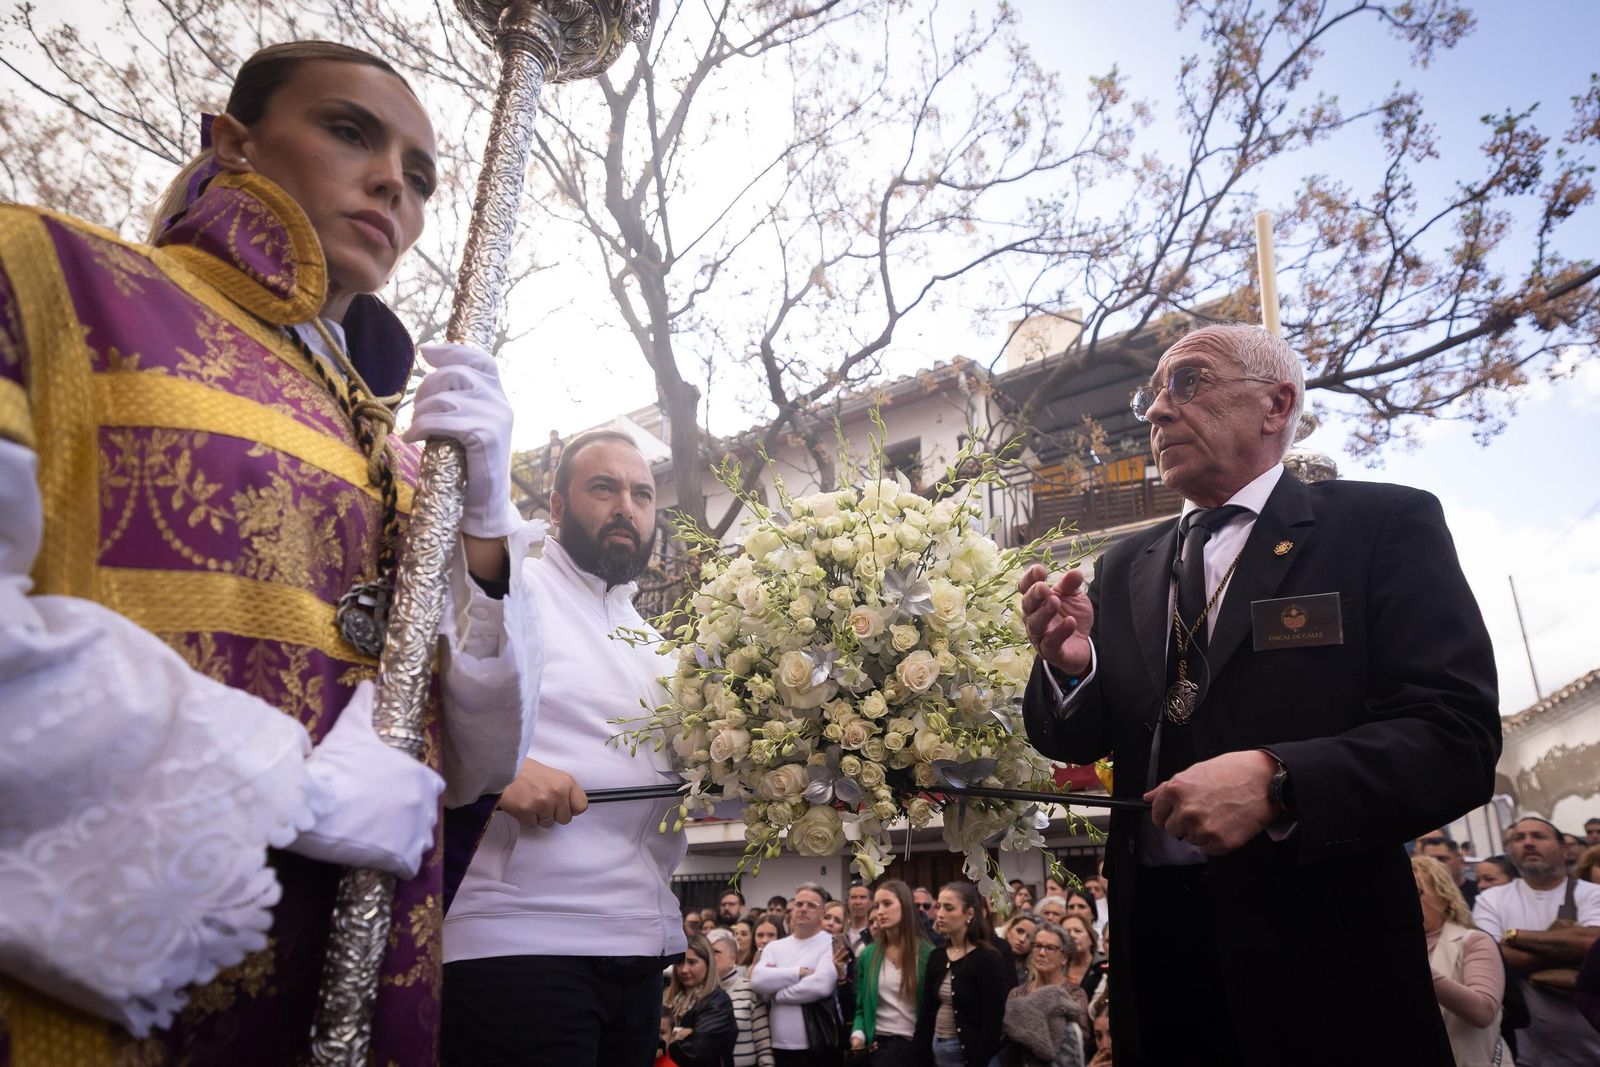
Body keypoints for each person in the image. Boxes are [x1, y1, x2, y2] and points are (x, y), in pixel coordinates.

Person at [0, 40, 541, 1065]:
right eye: (349, 131)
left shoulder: (397, 450)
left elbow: (480, 758)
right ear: (233, 142)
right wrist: (282, 786)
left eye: (423, 177)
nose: (394, 182)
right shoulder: (51, 274)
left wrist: (483, 515)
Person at [1019, 322, 1501, 1065]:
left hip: (1324, 964)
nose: (1154, 412)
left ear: (1277, 405)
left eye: (1189, 383)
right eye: (1151, 393)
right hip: (1160, 960)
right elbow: (1078, 741)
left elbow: (1457, 735)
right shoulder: (1122, 567)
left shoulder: (1379, 526)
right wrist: (1071, 666)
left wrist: (1281, 782)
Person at [443, 430, 684, 1066]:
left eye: (641, 494)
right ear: (555, 506)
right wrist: (500, 772)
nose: (625, 507)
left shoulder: (657, 647)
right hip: (518, 943)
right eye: (602, 488)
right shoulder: (508, 583)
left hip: (638, 944)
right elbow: (413, 689)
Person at [1473, 816, 1600, 1066]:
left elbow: (1592, 944)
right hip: (1528, 1055)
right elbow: (1491, 960)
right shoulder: (1491, 900)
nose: (1528, 843)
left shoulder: (1592, 894)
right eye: (1519, 838)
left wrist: (1515, 936)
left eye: (1538, 836)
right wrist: (1568, 951)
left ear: (1565, 850)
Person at [1413, 855, 1510, 1066]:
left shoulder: (1473, 941)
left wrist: (1416, 966)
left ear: (1444, 896)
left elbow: (1483, 1012)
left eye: (1417, 893)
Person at [914, 882, 1014, 1067]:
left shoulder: (987, 959)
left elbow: (992, 1023)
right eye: (939, 907)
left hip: (972, 1053)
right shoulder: (937, 956)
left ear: (969, 914)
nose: (940, 914)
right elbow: (927, 1011)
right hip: (939, 1050)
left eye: (949, 908)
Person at [748, 883, 839, 1067]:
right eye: (799, 904)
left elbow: (821, 985)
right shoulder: (775, 947)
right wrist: (798, 972)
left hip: (816, 1046)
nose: (803, 909)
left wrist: (778, 994)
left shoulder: (829, 943)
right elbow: (757, 980)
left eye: (811, 905)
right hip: (776, 1046)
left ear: (822, 913)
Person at [848, 880, 932, 1067]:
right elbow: (862, 1007)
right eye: (877, 906)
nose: (880, 912)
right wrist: (858, 1035)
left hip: (916, 1047)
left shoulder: (928, 954)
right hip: (879, 1046)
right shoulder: (868, 955)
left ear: (906, 906)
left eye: (887, 904)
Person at [1001, 921, 1087, 1067]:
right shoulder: (1017, 993)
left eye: (1050, 948)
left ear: (1065, 957)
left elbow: (1081, 1038)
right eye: (1038, 946)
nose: (1041, 953)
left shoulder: (1074, 994)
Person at [664, 936, 737, 1067]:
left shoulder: (718, 1002)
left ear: (709, 963)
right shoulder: (667, 999)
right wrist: (682, 1035)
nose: (684, 969)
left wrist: (668, 1039)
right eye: (680, 963)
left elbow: (697, 1051)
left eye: (692, 962)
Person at [707, 929, 774, 1067]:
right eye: (707, 953)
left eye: (716, 952)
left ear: (732, 958)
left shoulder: (749, 989)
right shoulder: (700, 992)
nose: (710, 957)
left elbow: (763, 1043)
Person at [1419, 832, 1478, 906]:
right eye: (1429, 861)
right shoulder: (1422, 899)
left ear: (1460, 859)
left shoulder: (1479, 892)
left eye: (1442, 859)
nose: (1435, 864)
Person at [1059, 917, 1102, 1006]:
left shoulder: (1103, 967)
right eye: (1066, 932)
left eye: (1078, 931)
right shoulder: (1056, 966)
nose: (1072, 935)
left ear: (1091, 938)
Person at [1004, 914, 1039, 985]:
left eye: (1030, 937)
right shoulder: (989, 956)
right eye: (1019, 931)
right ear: (1008, 931)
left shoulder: (1034, 974)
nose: (1022, 939)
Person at [847, 882, 875, 956]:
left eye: (863, 897)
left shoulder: (876, 933)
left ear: (871, 902)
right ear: (847, 902)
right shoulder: (840, 932)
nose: (858, 902)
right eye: (853, 897)